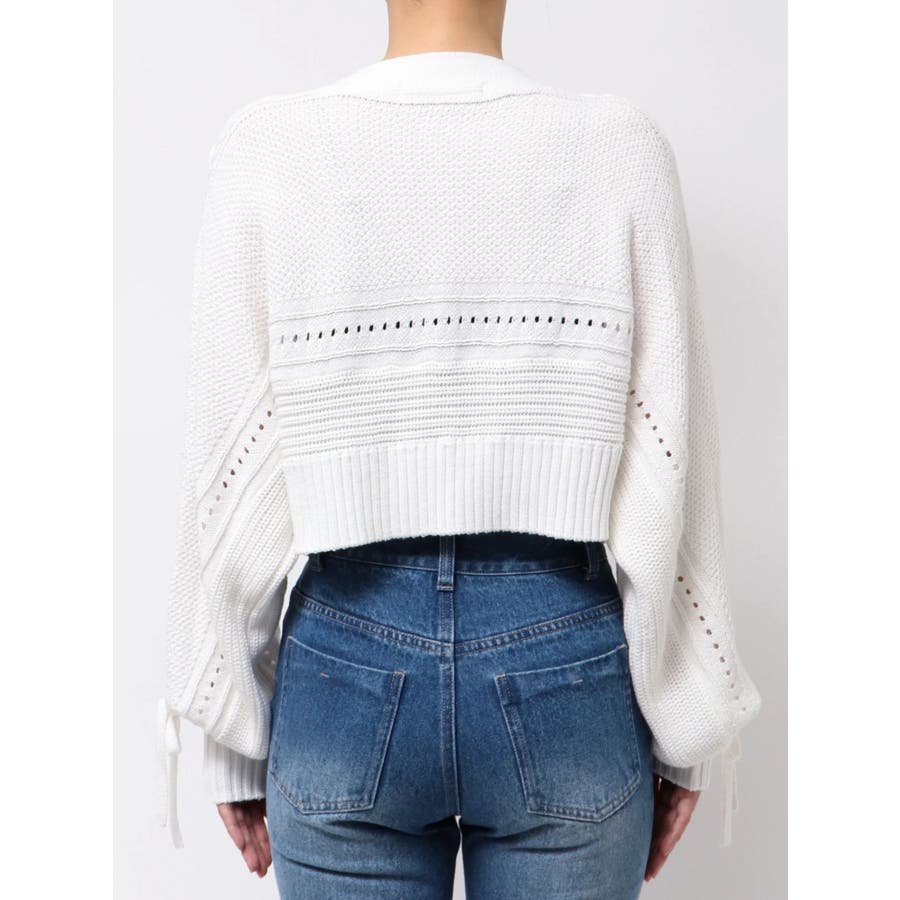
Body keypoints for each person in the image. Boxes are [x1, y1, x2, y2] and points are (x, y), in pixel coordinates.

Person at [156, 1, 763, 895]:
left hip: (344, 656)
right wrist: (688, 729)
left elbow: (226, 447)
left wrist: (229, 741)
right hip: (563, 655)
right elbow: (674, 460)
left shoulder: (271, 147)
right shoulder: (617, 147)